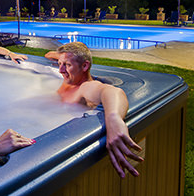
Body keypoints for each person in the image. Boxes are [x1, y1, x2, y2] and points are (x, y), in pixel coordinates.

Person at [45, 42, 143, 178]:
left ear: (85, 66)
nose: (60, 70)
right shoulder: (71, 77)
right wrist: (61, 58)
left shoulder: (85, 87)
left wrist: (114, 118)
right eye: (59, 63)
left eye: (67, 65)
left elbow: (111, 91)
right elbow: (50, 55)